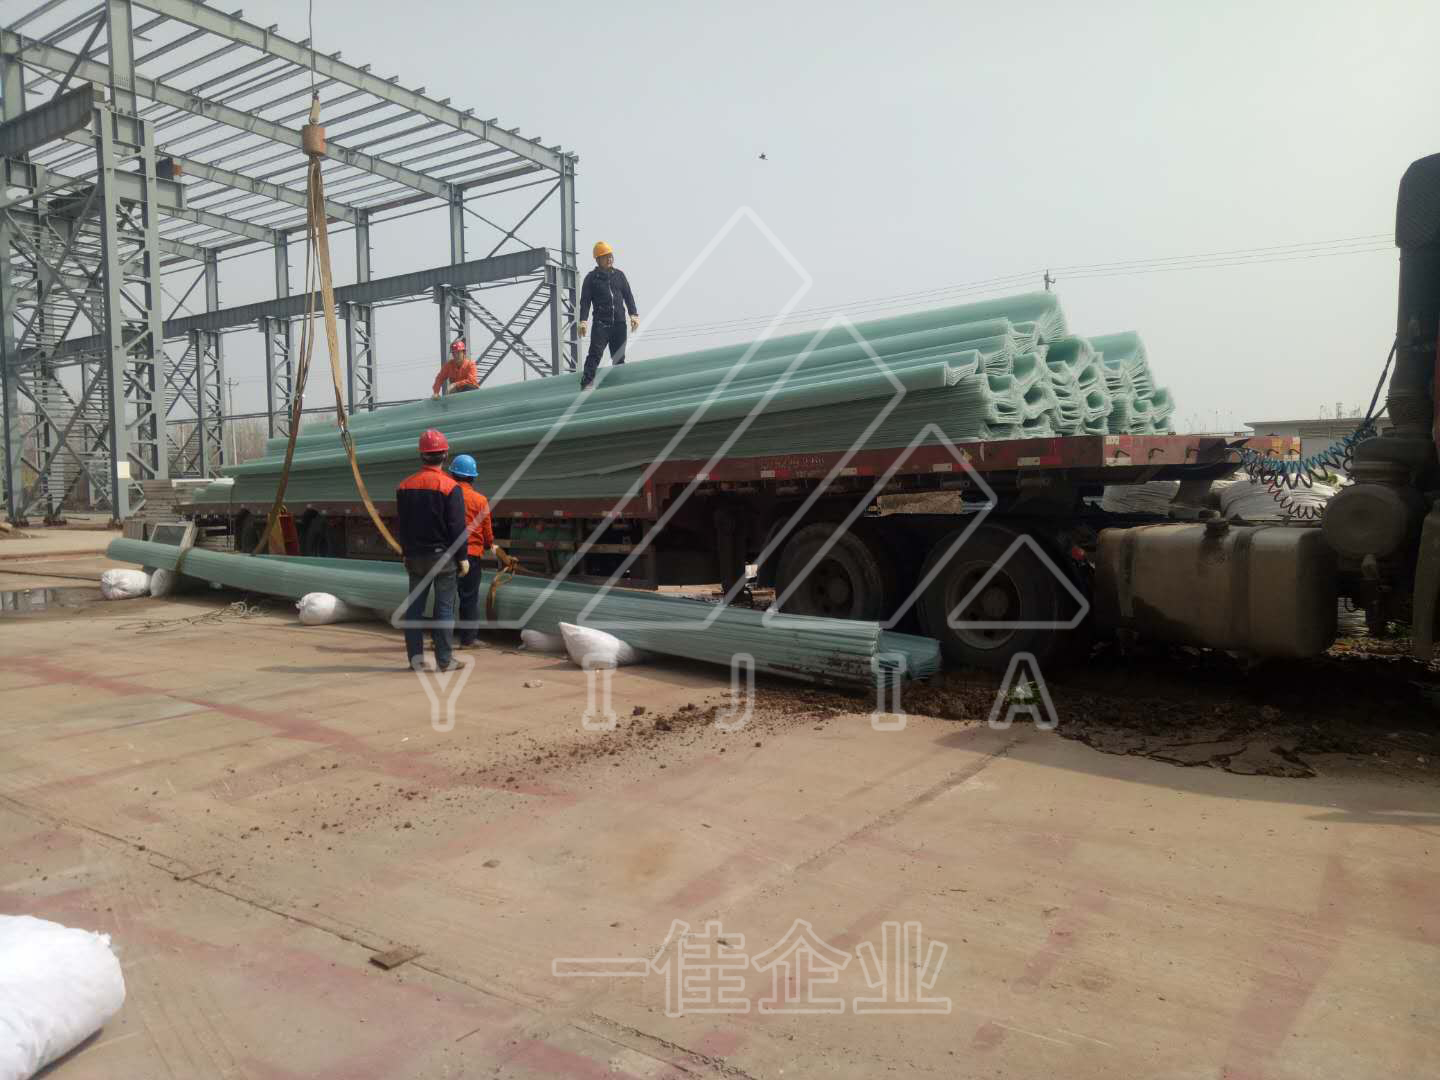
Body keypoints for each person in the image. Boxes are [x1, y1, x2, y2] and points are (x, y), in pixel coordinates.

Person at [394, 428, 469, 671]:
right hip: (443, 558)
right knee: (444, 609)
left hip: (415, 557)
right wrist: (463, 557)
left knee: (414, 609)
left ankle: (415, 661)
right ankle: (445, 660)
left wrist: (405, 553)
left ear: (421, 455)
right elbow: (457, 526)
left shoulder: (404, 486)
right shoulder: (450, 487)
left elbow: (402, 525)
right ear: (445, 455)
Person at [448, 453, 500, 648]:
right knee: (469, 598)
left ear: (452, 474)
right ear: (473, 477)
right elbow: (487, 531)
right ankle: (468, 640)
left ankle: (440, 639)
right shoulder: (480, 500)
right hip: (472, 555)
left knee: (446, 599)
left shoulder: (446, 496)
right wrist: (489, 544)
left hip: (448, 554)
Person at [578, 241, 640, 390]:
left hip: (619, 324)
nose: (610, 259)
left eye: (611, 256)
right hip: (601, 324)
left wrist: (633, 314)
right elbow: (585, 301)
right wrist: (583, 320)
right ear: (598, 259)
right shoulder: (591, 279)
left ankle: (619, 386)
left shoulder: (619, 276)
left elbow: (628, 296)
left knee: (619, 358)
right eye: (606, 256)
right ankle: (587, 384)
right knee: (595, 354)